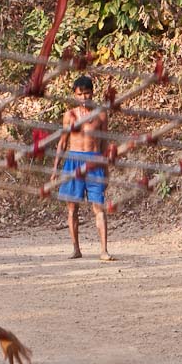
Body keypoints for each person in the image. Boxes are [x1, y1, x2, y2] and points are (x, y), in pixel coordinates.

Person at [52, 75, 112, 261]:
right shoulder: (69, 116)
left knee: (99, 207)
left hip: (94, 162)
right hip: (73, 161)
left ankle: (103, 250)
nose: (84, 97)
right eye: (80, 94)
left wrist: (106, 167)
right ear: (75, 95)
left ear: (92, 93)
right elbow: (62, 143)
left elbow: (104, 143)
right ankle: (76, 249)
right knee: (72, 208)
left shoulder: (101, 115)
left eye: (87, 93)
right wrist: (55, 169)